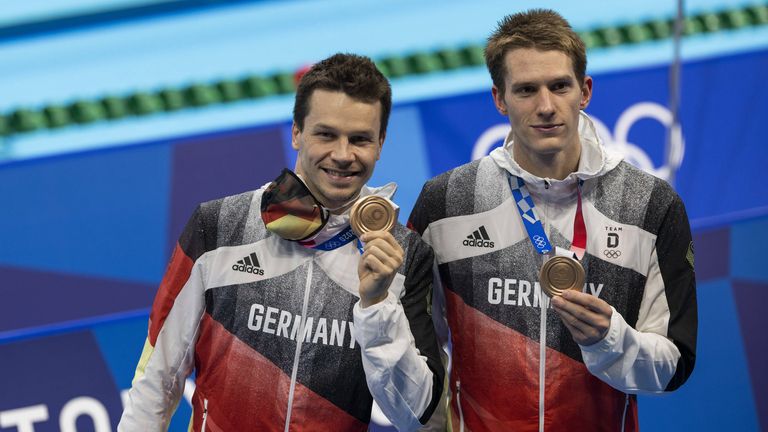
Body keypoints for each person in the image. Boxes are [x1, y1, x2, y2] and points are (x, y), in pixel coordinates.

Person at [119, 53, 444, 432]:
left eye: (359, 139)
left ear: (380, 143)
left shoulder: (402, 257)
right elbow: (158, 378)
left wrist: (377, 305)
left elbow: (417, 418)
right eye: (326, 134)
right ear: (296, 133)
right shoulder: (220, 227)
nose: (342, 155)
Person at [408, 9, 697, 432]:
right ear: (499, 99)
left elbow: (674, 365)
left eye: (559, 86)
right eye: (526, 90)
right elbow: (419, 353)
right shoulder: (446, 202)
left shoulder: (651, 205)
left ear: (584, 91)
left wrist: (611, 340)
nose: (546, 106)